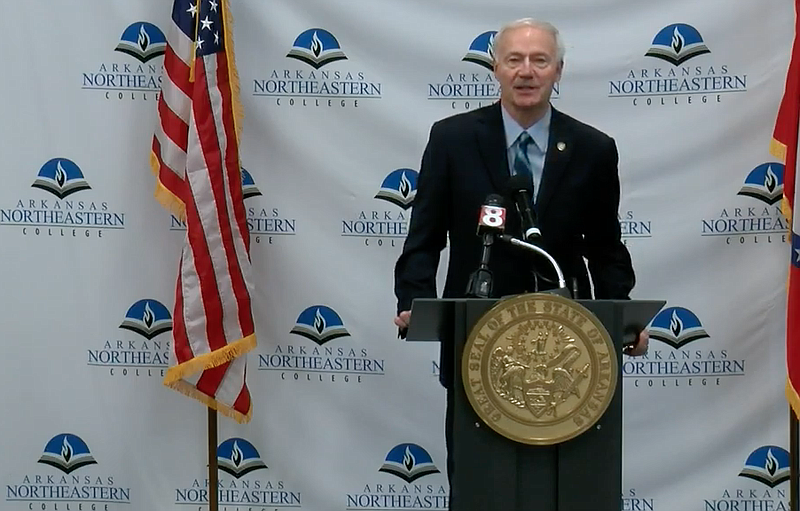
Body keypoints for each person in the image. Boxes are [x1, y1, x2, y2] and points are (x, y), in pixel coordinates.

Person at [393, 17, 648, 502]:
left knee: (569, 487)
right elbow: (423, 237)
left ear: (559, 71)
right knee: (480, 486)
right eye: (514, 60)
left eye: (539, 60)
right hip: (478, 340)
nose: (526, 72)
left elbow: (606, 247)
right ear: (496, 68)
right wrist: (414, 300)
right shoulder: (452, 139)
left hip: (568, 349)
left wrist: (624, 314)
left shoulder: (593, 149)